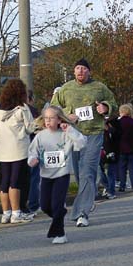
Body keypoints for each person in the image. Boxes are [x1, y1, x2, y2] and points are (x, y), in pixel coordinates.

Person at [51, 58, 117, 227]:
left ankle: (82, 213)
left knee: (88, 170)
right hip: (73, 134)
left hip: (94, 133)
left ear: (89, 71)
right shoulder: (65, 89)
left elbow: (114, 104)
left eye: (84, 69)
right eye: (78, 68)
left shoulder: (100, 87)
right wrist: (66, 115)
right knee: (80, 174)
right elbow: (52, 109)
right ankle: (88, 198)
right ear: (74, 72)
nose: (80, 71)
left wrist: (105, 107)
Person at [28, 106, 87, 244]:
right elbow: (32, 152)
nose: (48, 121)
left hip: (62, 174)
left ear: (59, 119)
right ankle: (61, 212)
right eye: (46, 118)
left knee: (56, 205)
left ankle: (60, 234)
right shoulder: (40, 136)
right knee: (45, 206)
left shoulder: (66, 134)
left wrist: (70, 130)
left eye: (52, 118)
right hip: (46, 175)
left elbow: (82, 143)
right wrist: (32, 160)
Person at [0, 78, 35, 224]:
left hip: (3, 149)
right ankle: (17, 213)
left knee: (5, 181)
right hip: (19, 148)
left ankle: (6, 213)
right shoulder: (22, 109)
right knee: (15, 181)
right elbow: (31, 128)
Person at [118, 104, 133, 192]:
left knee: (122, 168)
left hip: (121, 148)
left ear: (121, 112)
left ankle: (122, 186)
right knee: (132, 168)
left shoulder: (118, 123)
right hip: (132, 147)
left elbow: (115, 134)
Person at [26, 90, 41, 214]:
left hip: (16, 148)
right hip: (32, 146)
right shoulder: (31, 110)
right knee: (34, 177)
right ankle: (33, 205)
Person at [98, 116, 121, 200]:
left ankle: (111, 191)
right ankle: (107, 187)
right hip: (101, 151)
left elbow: (118, 135)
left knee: (111, 172)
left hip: (112, 151)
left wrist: (109, 129)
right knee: (99, 171)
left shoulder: (114, 122)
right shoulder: (97, 126)